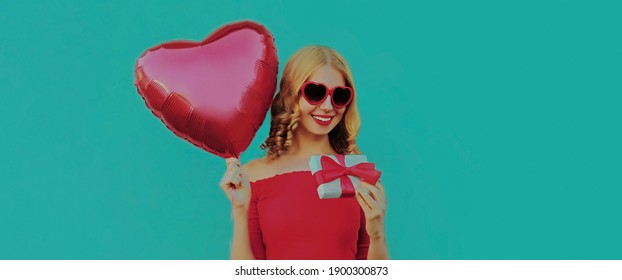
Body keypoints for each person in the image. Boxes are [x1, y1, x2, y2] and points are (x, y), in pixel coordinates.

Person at [219, 45, 388, 260]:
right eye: (315, 93)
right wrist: (240, 210)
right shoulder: (253, 174)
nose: (328, 106)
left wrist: (377, 233)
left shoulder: (355, 173)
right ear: (292, 95)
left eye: (340, 96)